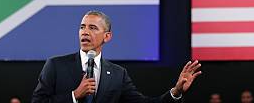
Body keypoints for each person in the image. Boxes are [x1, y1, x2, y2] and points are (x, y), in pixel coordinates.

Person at [32, 10, 202, 103]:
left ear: (107, 37)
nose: (85, 32)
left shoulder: (117, 74)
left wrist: (176, 91)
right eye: (82, 27)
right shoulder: (55, 65)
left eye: (92, 28)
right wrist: (74, 96)